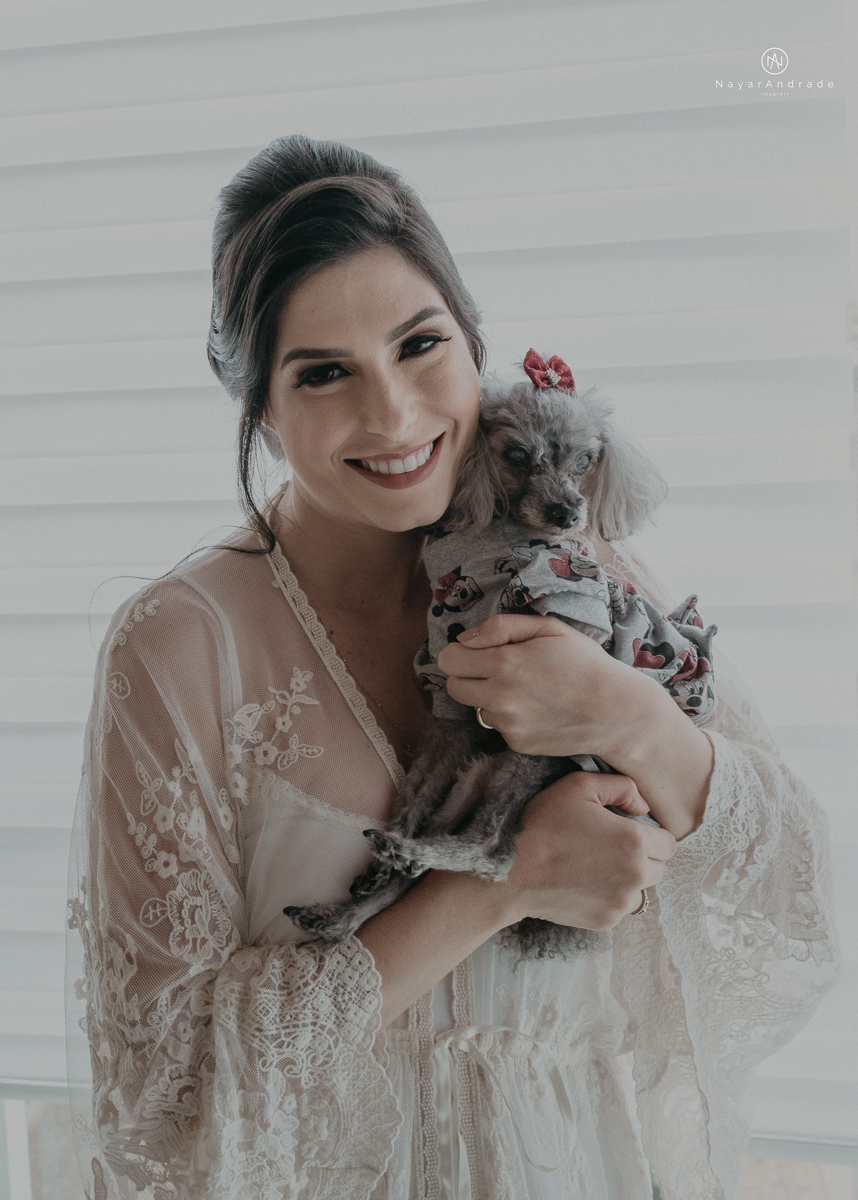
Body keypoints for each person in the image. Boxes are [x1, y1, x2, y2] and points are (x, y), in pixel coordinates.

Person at [65, 135, 838, 1200]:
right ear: (257, 405)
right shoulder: (184, 644)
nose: (392, 414)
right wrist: (499, 883)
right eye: (324, 372)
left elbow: (795, 896)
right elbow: (165, 1103)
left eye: (420, 345)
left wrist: (632, 717)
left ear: (475, 342)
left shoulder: (585, 567)